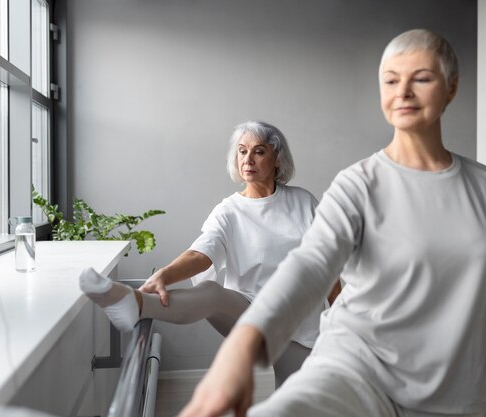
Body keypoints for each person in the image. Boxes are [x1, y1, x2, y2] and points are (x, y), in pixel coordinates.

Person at [178, 29, 486, 417]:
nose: (403, 91)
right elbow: (309, 268)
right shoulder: (357, 183)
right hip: (358, 371)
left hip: (457, 392)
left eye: (420, 78)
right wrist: (241, 349)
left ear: (451, 87)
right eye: (391, 80)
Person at [79, 120, 342, 387]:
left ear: (277, 158)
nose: (248, 159)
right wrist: (164, 275)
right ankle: (135, 304)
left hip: (300, 325)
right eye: (242, 151)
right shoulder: (229, 211)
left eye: (259, 151)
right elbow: (201, 253)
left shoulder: (303, 202)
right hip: (250, 309)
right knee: (212, 292)